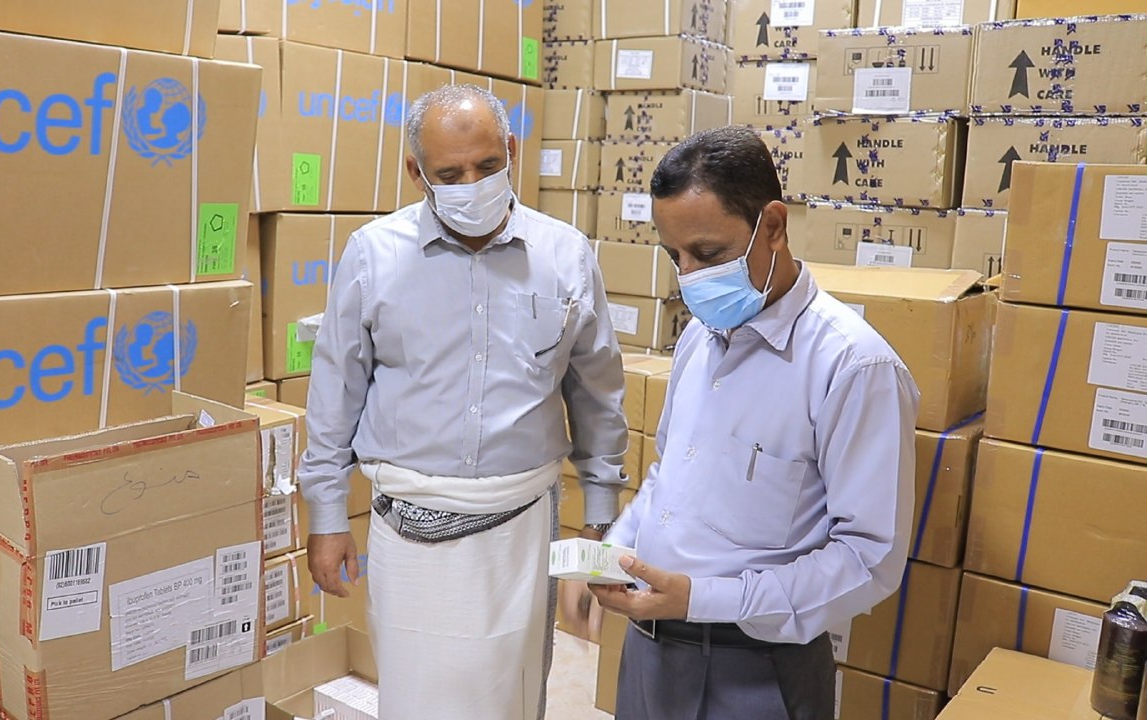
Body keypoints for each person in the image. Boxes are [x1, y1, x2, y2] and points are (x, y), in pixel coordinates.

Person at [297, 84, 628, 720]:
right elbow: (335, 392)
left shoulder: (565, 256)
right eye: (449, 175)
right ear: (415, 171)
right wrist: (328, 516)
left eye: (488, 165)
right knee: (418, 696)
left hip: (519, 527)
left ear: (512, 151)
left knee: (509, 693)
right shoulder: (373, 254)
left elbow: (597, 393)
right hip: (407, 527)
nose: (472, 185)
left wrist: (600, 516)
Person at [591, 126, 919, 719]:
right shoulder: (698, 339)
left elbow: (868, 559)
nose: (689, 277)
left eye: (708, 254)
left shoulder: (851, 366)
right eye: (674, 257)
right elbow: (669, 478)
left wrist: (704, 599)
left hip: (755, 668)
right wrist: (614, 551)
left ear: (773, 226)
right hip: (650, 653)